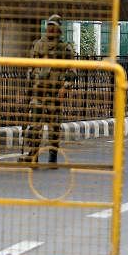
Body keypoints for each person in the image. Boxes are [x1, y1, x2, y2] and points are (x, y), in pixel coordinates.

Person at [18, 14, 75, 164]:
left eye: (53, 26)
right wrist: (29, 87)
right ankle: (33, 155)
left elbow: (73, 71)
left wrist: (65, 88)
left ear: (58, 29)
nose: (50, 28)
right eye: (49, 25)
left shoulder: (65, 48)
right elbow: (32, 67)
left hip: (54, 94)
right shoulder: (38, 44)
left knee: (53, 126)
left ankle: (52, 156)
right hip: (38, 92)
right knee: (35, 125)